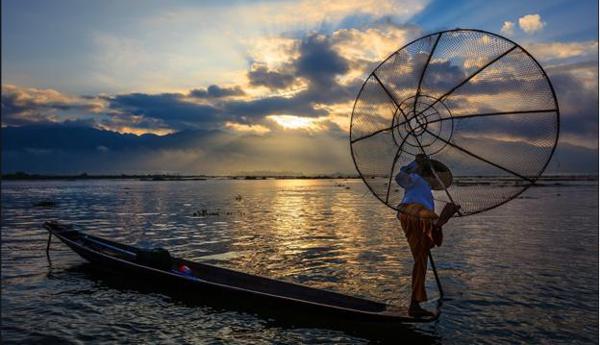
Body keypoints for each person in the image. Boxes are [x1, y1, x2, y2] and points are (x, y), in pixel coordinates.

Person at [395, 154, 459, 317]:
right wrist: (415, 163)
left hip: (415, 217)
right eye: (432, 174)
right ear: (427, 174)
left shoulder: (426, 189)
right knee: (431, 219)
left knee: (421, 256)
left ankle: (414, 304)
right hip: (411, 211)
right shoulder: (416, 178)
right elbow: (400, 178)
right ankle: (437, 223)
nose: (434, 178)